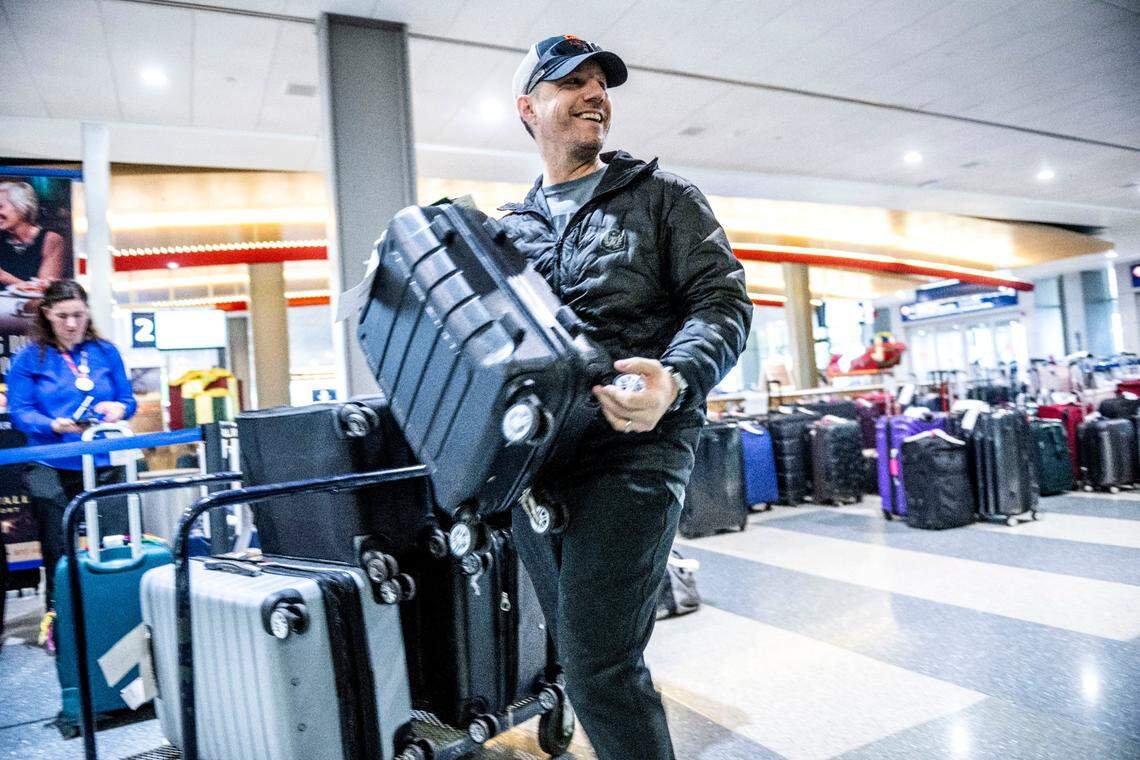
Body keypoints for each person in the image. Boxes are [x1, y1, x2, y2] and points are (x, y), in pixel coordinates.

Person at [501, 35, 752, 760]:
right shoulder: (507, 231)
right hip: (538, 465)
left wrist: (675, 377)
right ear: (528, 108)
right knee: (578, 653)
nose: (595, 94)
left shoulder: (663, 198)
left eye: (600, 84)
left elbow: (722, 304)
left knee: (599, 668)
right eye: (570, 82)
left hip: (636, 449)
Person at [7, 280, 136, 612]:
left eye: (78, 315)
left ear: (88, 312)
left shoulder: (106, 352)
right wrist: (51, 424)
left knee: (116, 544)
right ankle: (60, 618)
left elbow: (127, 400)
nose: (71, 323)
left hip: (104, 462)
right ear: (47, 314)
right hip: (50, 465)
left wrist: (119, 409)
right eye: (63, 316)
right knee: (57, 550)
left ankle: (117, 614)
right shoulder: (28, 358)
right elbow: (20, 412)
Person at [0, 180, 67, 290]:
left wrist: (5, 277)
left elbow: (44, 291)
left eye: (0, 206)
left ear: (22, 207)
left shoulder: (51, 240)